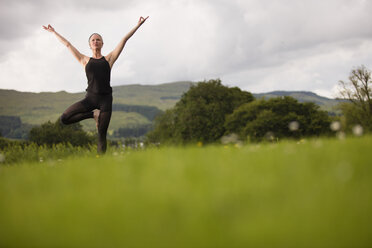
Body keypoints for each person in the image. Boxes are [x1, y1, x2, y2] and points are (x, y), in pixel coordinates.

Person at [43, 16, 149, 154]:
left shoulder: (109, 59)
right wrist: (53, 32)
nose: (95, 41)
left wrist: (138, 25)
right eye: (93, 40)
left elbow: (124, 40)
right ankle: (93, 114)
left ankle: (100, 164)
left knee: (101, 135)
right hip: (90, 99)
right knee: (64, 118)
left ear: (102, 43)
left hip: (105, 100)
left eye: (98, 39)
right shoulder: (84, 60)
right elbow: (68, 44)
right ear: (90, 44)